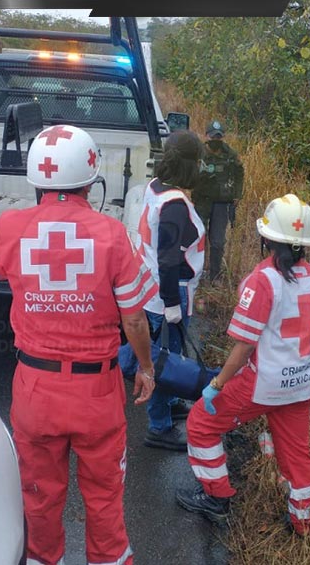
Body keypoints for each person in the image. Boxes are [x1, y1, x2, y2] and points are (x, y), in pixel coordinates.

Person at [0, 124, 157, 565]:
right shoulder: (112, 234)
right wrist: (146, 367)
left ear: (37, 176)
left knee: (39, 499)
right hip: (95, 392)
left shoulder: (9, 227)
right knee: (103, 498)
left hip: (35, 388)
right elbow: (134, 317)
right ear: (90, 174)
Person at [177, 194, 310, 537]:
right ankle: (303, 522)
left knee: (201, 424)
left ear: (267, 239)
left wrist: (216, 386)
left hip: (264, 383)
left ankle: (216, 499)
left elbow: (245, 346)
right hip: (303, 381)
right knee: (296, 453)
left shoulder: (262, 281)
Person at [122, 130, 207, 451]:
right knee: (162, 360)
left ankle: (170, 403)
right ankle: (159, 426)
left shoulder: (156, 188)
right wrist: (172, 302)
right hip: (166, 293)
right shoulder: (174, 205)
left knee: (165, 355)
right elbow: (169, 258)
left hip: (151, 288)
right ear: (190, 165)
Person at [192, 120, 245, 280]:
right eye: (213, 136)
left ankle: (214, 275)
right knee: (199, 239)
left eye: (219, 137)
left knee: (217, 242)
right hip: (201, 202)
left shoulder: (230, 154)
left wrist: (237, 195)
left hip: (222, 203)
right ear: (206, 136)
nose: (216, 140)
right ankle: (197, 272)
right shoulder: (198, 153)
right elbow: (189, 171)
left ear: (223, 137)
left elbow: (239, 173)